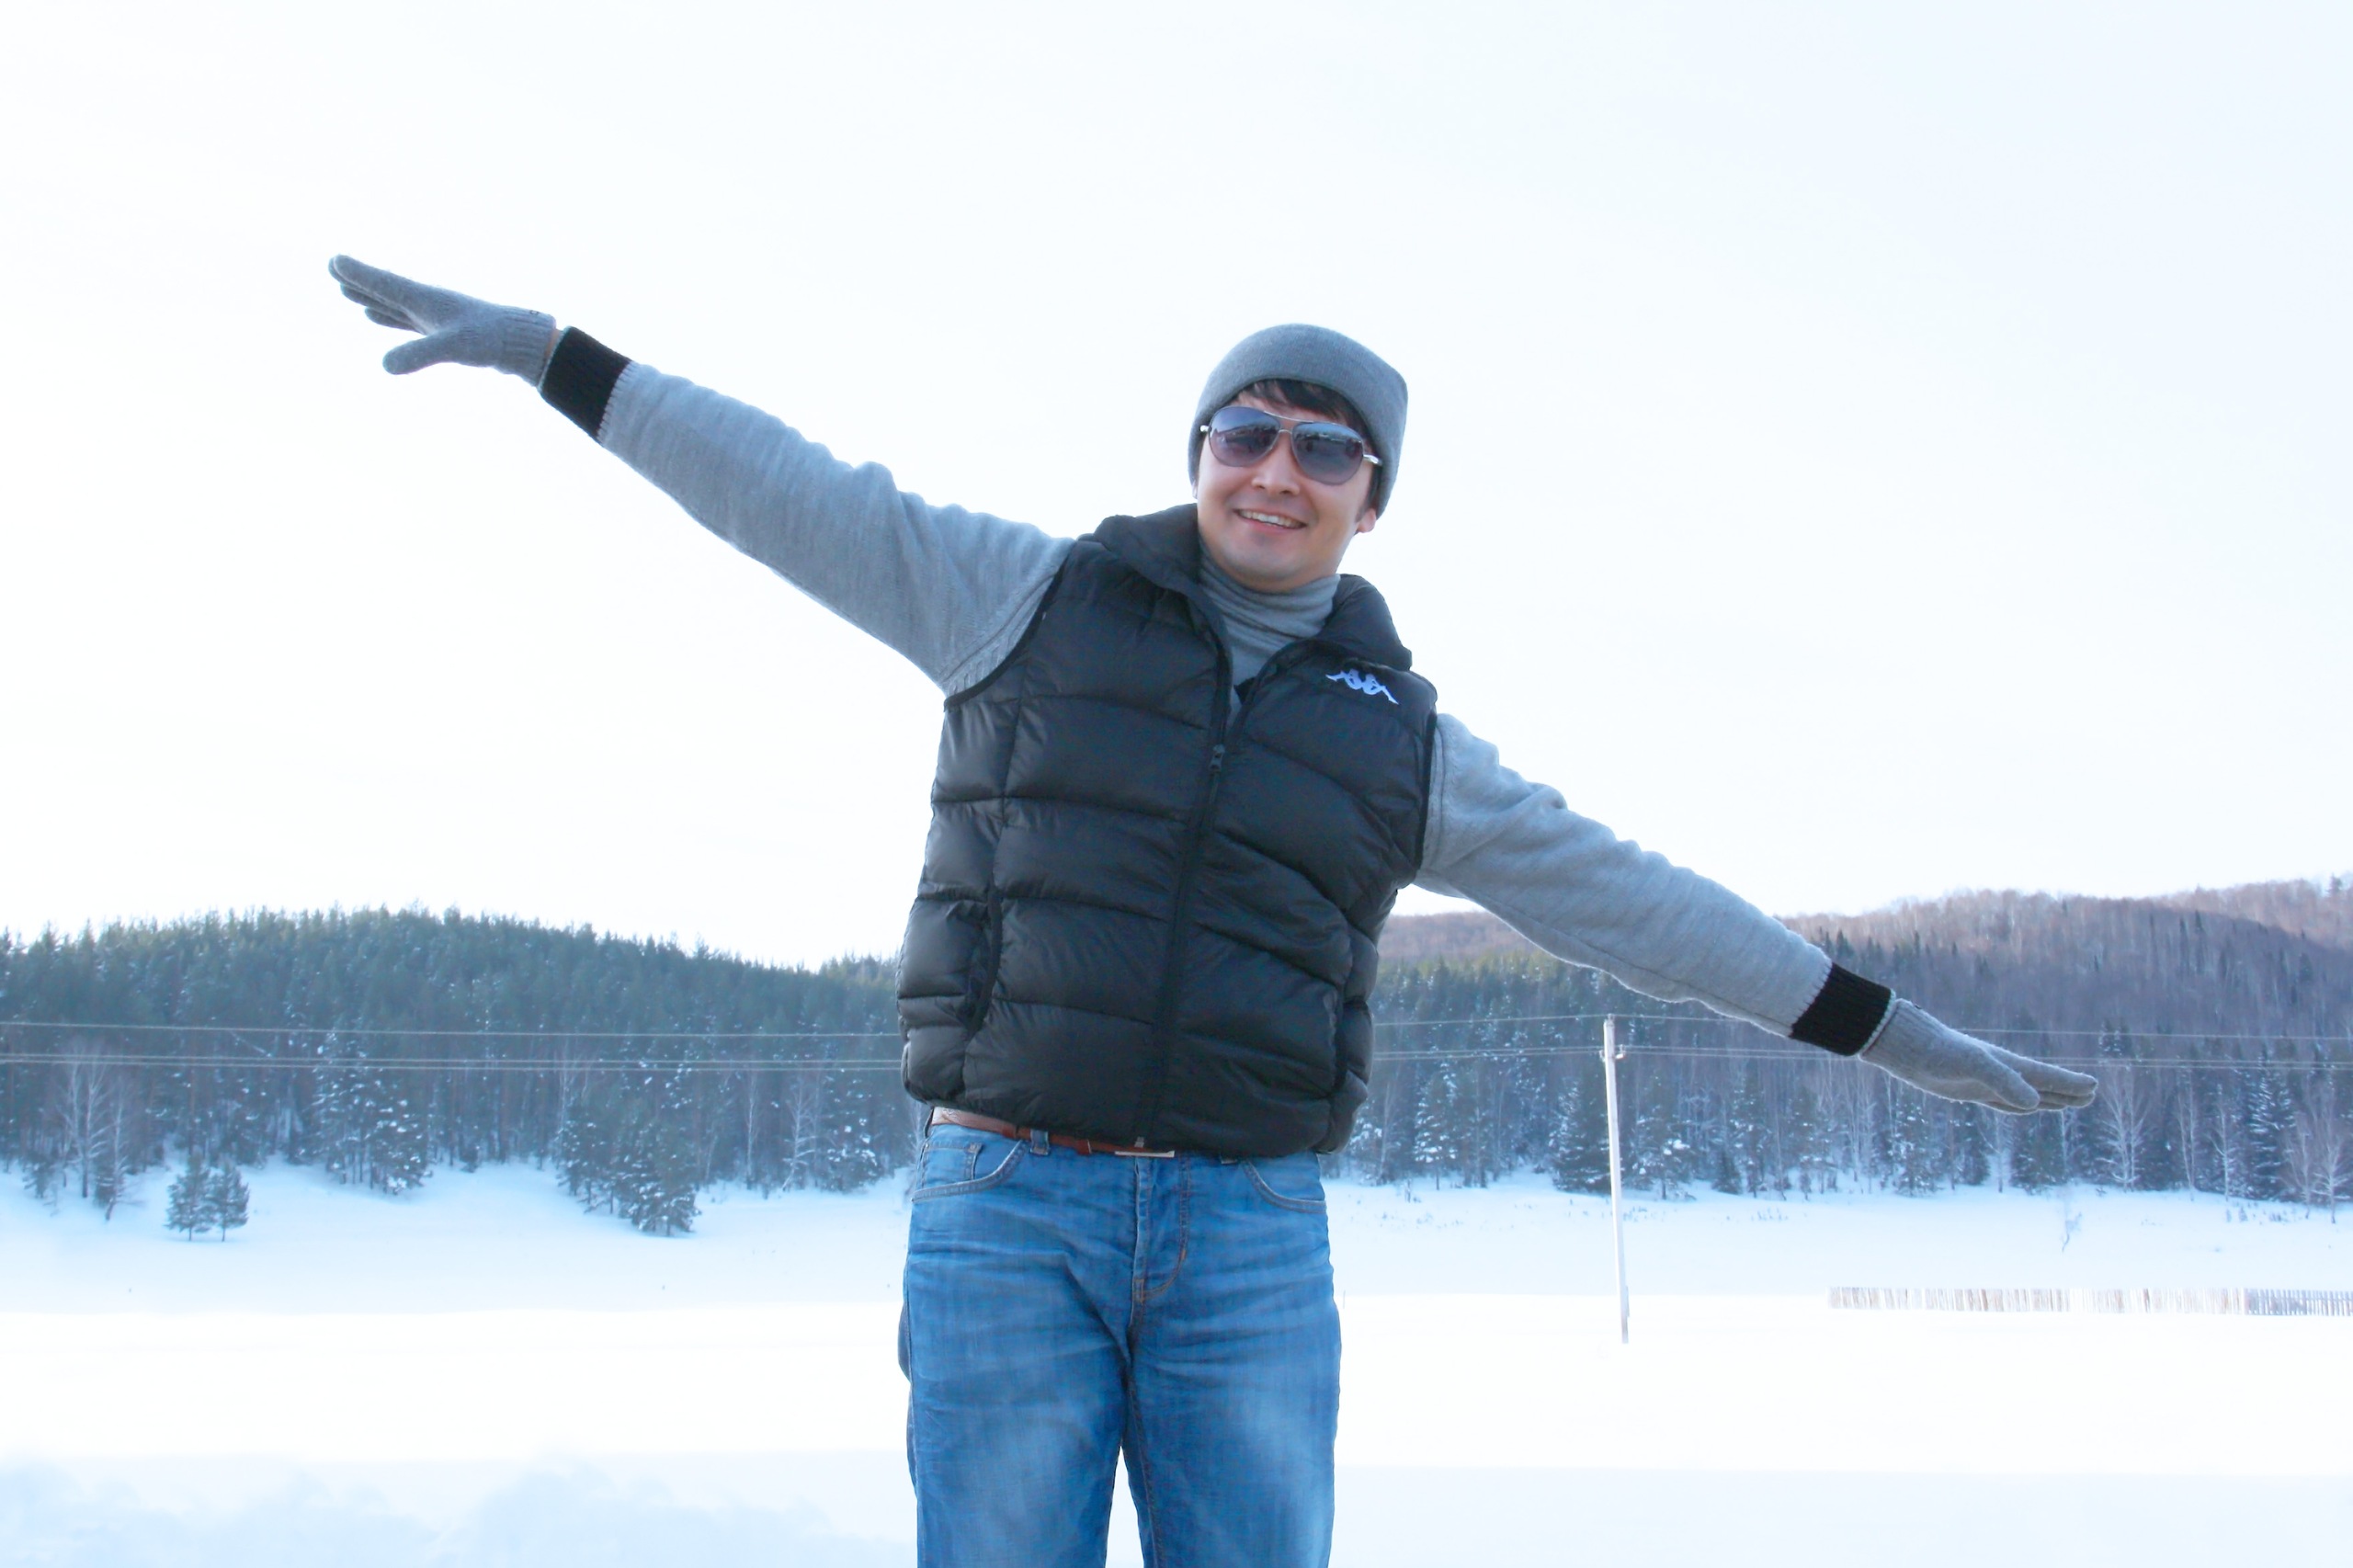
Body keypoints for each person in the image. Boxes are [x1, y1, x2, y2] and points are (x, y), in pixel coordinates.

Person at [327, 256, 2097, 1568]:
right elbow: (786, 489)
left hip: (1247, 1232)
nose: (1277, 468)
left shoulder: (1403, 744)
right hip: (1007, 1204)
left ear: (1371, 500)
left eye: (1326, 448)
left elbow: (1639, 904)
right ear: (1197, 452)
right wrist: (560, 359)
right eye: (1246, 430)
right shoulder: (1023, 598)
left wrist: (1883, 1025)